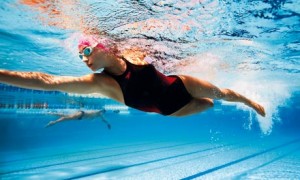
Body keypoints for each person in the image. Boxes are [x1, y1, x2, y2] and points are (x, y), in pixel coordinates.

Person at [0, 37, 265, 117]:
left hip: (181, 83)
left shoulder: (133, 51)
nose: (83, 58)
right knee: (207, 104)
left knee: (221, 94)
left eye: (87, 51)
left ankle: (250, 102)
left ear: (104, 47)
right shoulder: (100, 83)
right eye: (80, 56)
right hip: (169, 109)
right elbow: (46, 81)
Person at [45, 109, 111, 129]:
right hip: (82, 114)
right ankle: (53, 122)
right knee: (67, 118)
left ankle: (51, 114)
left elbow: (104, 120)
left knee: (67, 116)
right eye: (102, 112)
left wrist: (108, 124)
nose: (102, 113)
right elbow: (103, 119)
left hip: (81, 116)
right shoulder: (98, 113)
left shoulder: (99, 115)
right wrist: (108, 124)